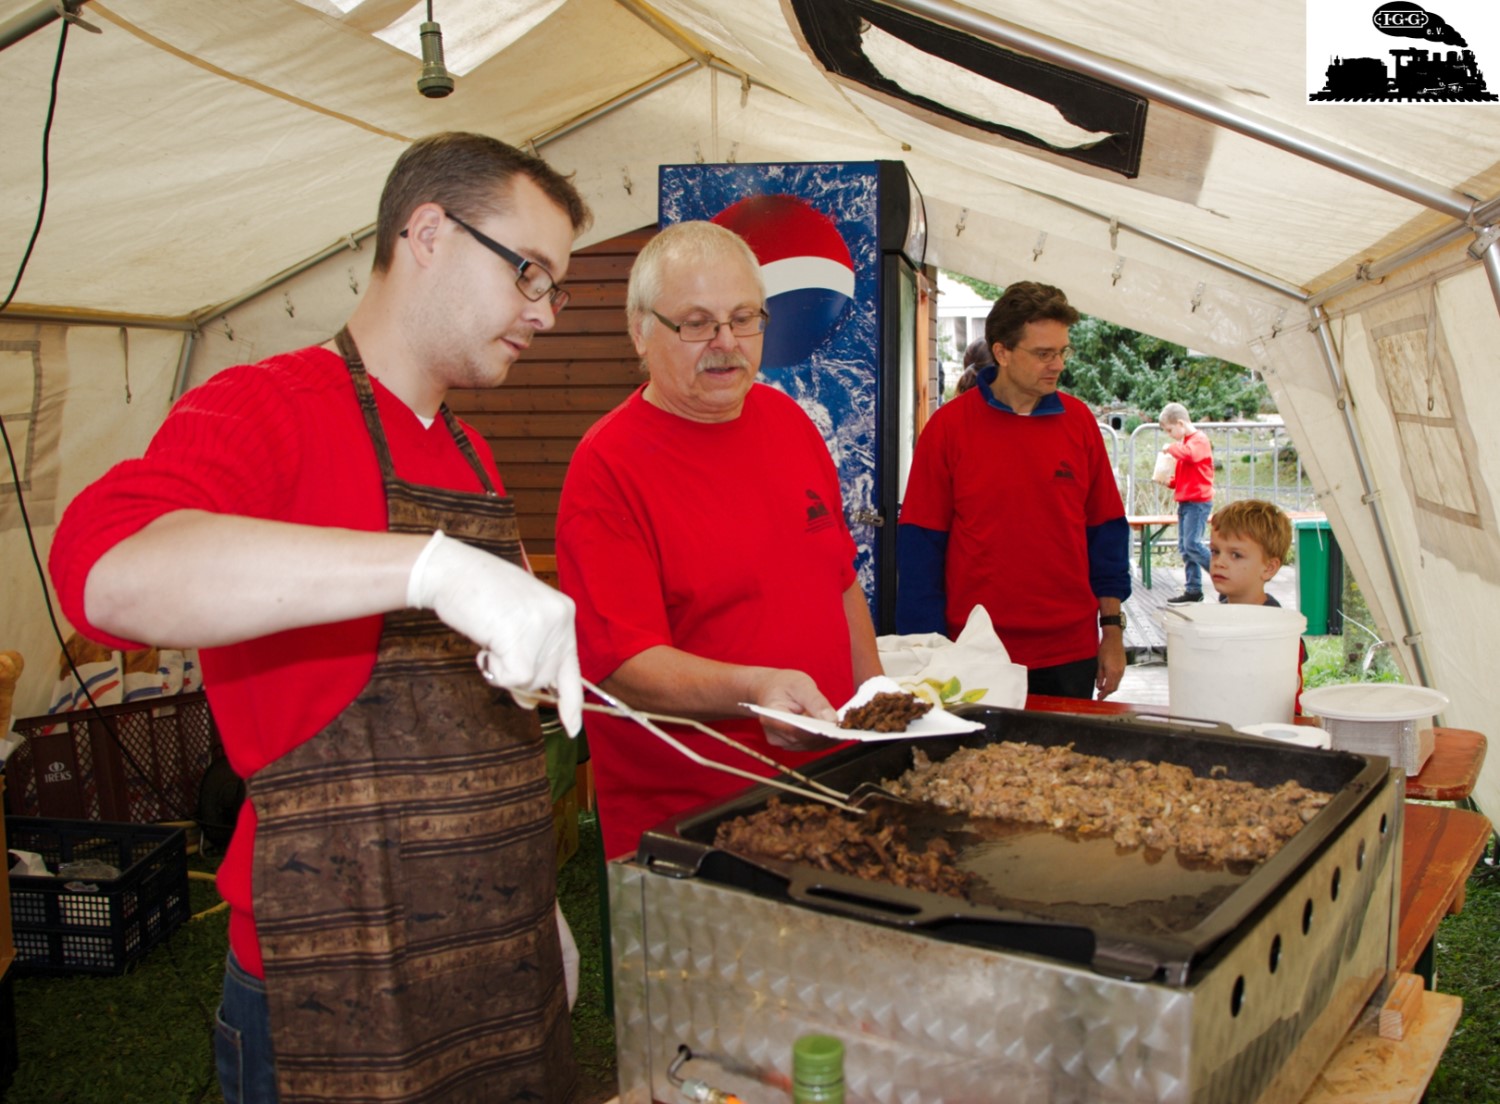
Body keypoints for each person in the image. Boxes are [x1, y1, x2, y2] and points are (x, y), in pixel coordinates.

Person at [48, 133, 591, 1104]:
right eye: (529, 274)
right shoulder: (267, 409)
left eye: (555, 287)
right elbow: (108, 576)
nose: (544, 313)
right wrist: (425, 569)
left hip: (497, 959)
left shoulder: (471, 458)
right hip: (334, 975)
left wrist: (538, 906)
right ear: (427, 232)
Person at [555, 220, 882, 860]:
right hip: (695, 822)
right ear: (640, 331)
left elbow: (839, 579)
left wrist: (873, 705)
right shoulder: (607, 467)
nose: (726, 343)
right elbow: (625, 665)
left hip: (829, 785)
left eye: (743, 318)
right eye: (697, 322)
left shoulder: (790, 422)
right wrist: (757, 689)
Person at [896, 281, 1131, 701]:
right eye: (1044, 353)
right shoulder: (948, 429)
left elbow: (1106, 534)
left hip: (1068, 650)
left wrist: (1111, 631)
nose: (1057, 364)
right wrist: (925, 649)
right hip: (975, 651)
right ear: (1002, 352)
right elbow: (920, 549)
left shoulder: (1079, 425)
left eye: (1062, 351)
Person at [1208, 499, 1306, 710]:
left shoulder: (1279, 631)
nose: (1219, 562)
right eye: (1215, 551)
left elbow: (1290, 701)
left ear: (1269, 568)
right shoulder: (1214, 618)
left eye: (1236, 555)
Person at [1159, 402, 1215, 603]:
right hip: (1186, 501)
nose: (1170, 435)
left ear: (1180, 423)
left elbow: (1191, 455)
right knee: (1185, 547)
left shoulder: (1198, 440)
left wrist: (1171, 448)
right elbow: (1187, 471)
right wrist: (1171, 482)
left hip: (1198, 502)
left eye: (1170, 430)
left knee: (1192, 544)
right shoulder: (1186, 443)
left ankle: (1221, 577)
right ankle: (1193, 588)